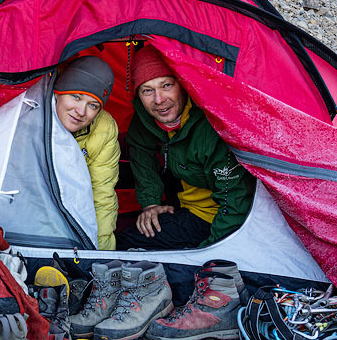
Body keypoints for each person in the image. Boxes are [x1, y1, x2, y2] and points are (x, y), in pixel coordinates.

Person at [116, 45, 254, 250]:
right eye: (147, 90)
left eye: (166, 85)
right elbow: (140, 152)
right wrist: (151, 203)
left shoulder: (211, 127)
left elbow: (235, 202)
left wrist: (209, 253)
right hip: (183, 204)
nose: (159, 99)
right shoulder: (146, 119)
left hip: (213, 217)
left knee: (125, 243)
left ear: (182, 84)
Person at [53, 56, 120, 250]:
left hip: (76, 213)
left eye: (93, 105)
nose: (81, 111)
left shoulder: (104, 129)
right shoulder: (32, 116)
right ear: (58, 92)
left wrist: (101, 255)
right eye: (76, 96)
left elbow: (102, 192)